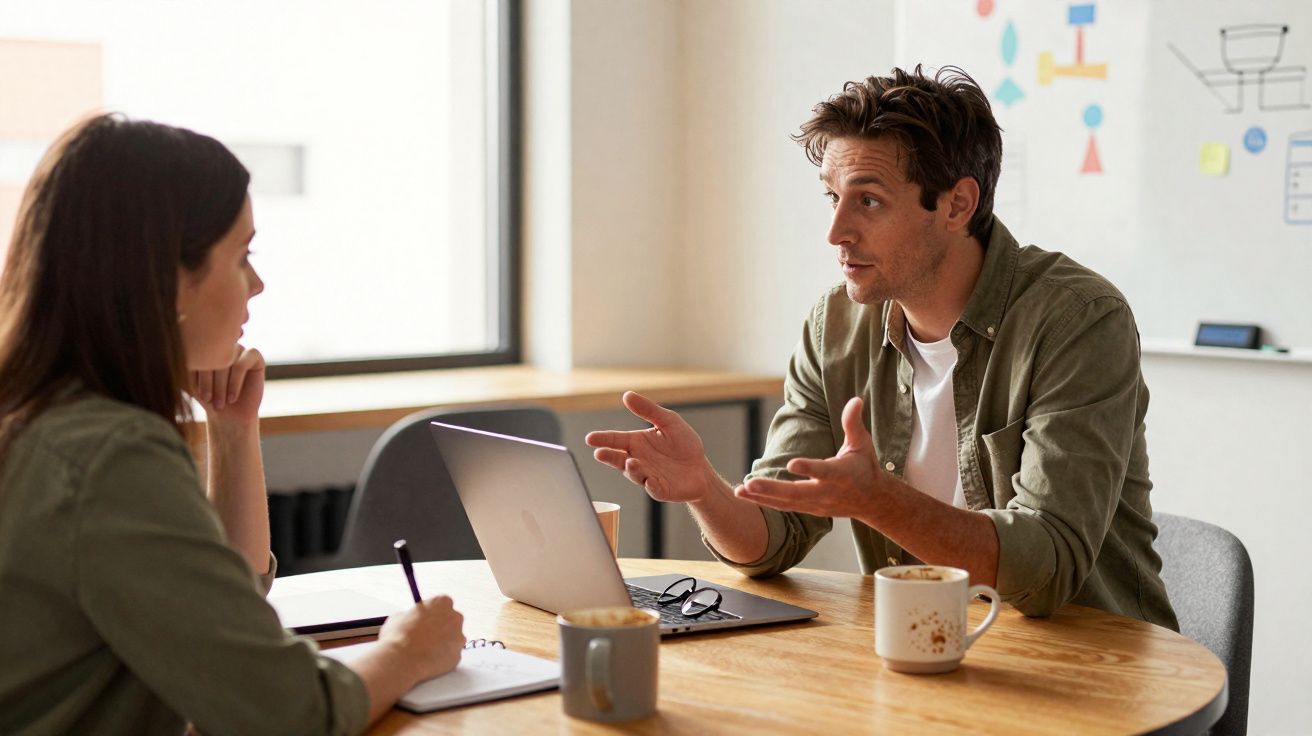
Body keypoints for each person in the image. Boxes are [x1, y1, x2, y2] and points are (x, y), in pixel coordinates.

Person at [586, 66, 1178, 630]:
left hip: (1093, 673)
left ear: (957, 204)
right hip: (924, 656)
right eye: (832, 197)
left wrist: (879, 501)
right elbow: (773, 536)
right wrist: (706, 489)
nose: (836, 231)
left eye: (868, 201)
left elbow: (1047, 567)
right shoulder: (837, 326)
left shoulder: (1077, 321)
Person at [0, 114, 466, 735]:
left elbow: (224, 612)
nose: (258, 283)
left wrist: (232, 431)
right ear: (168, 279)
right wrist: (409, 652)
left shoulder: (46, 418)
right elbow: (287, 713)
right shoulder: (109, 456)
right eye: (241, 255)